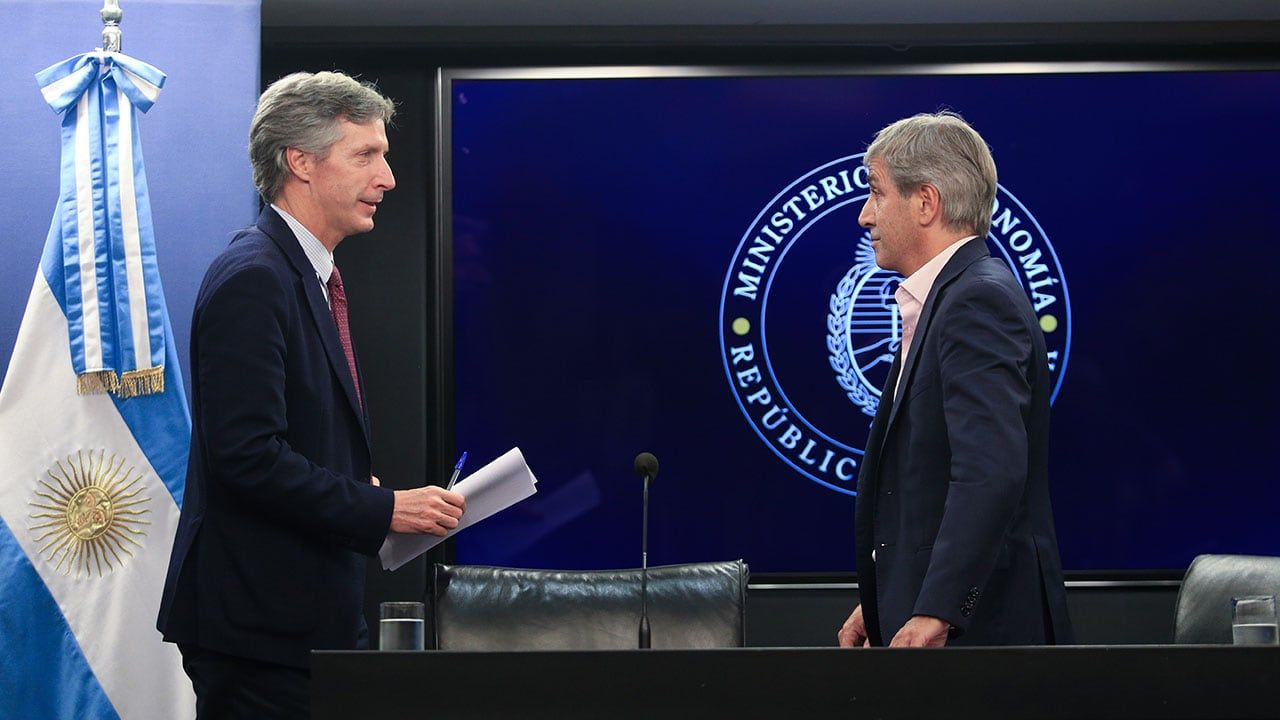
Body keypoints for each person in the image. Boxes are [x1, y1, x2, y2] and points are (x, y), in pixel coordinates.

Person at [157, 71, 466, 717]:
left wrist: (362, 485)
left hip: (302, 622)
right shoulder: (255, 278)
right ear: (299, 161)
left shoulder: (298, 272)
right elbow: (246, 458)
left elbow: (288, 437)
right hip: (259, 633)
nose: (388, 178)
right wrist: (381, 510)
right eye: (366, 155)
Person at [837, 112, 1073, 648]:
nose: (863, 216)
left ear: (926, 202)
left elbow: (989, 472)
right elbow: (930, 485)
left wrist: (938, 610)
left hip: (984, 643)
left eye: (875, 194)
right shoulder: (944, 299)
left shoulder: (976, 300)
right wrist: (887, 595)